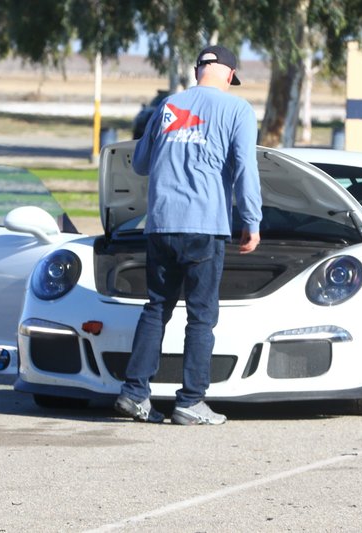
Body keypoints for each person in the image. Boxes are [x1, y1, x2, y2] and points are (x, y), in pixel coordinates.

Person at [114, 45, 262, 425]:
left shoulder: (167, 107)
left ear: (198, 71)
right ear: (229, 75)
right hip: (204, 226)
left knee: (157, 308)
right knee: (200, 316)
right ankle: (190, 401)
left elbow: (143, 163)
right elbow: (246, 167)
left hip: (161, 223)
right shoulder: (237, 109)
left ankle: (134, 394)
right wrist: (252, 220)